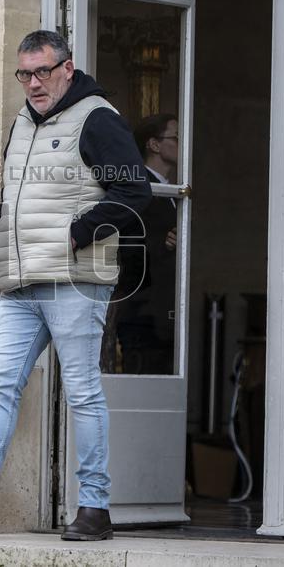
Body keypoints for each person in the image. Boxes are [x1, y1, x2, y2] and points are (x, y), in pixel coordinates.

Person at [0, 30, 151, 540]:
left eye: (43, 71)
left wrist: (81, 231)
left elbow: (135, 191)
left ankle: (95, 508)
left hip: (74, 280)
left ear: (67, 67)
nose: (34, 83)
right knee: (0, 386)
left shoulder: (96, 118)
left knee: (81, 392)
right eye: (25, 74)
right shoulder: (22, 122)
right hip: (22, 281)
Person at [115, 113, 179, 374]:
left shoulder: (170, 189)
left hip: (162, 308)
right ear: (154, 145)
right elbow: (129, 241)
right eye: (176, 137)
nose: (182, 143)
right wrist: (163, 244)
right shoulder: (140, 187)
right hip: (143, 310)